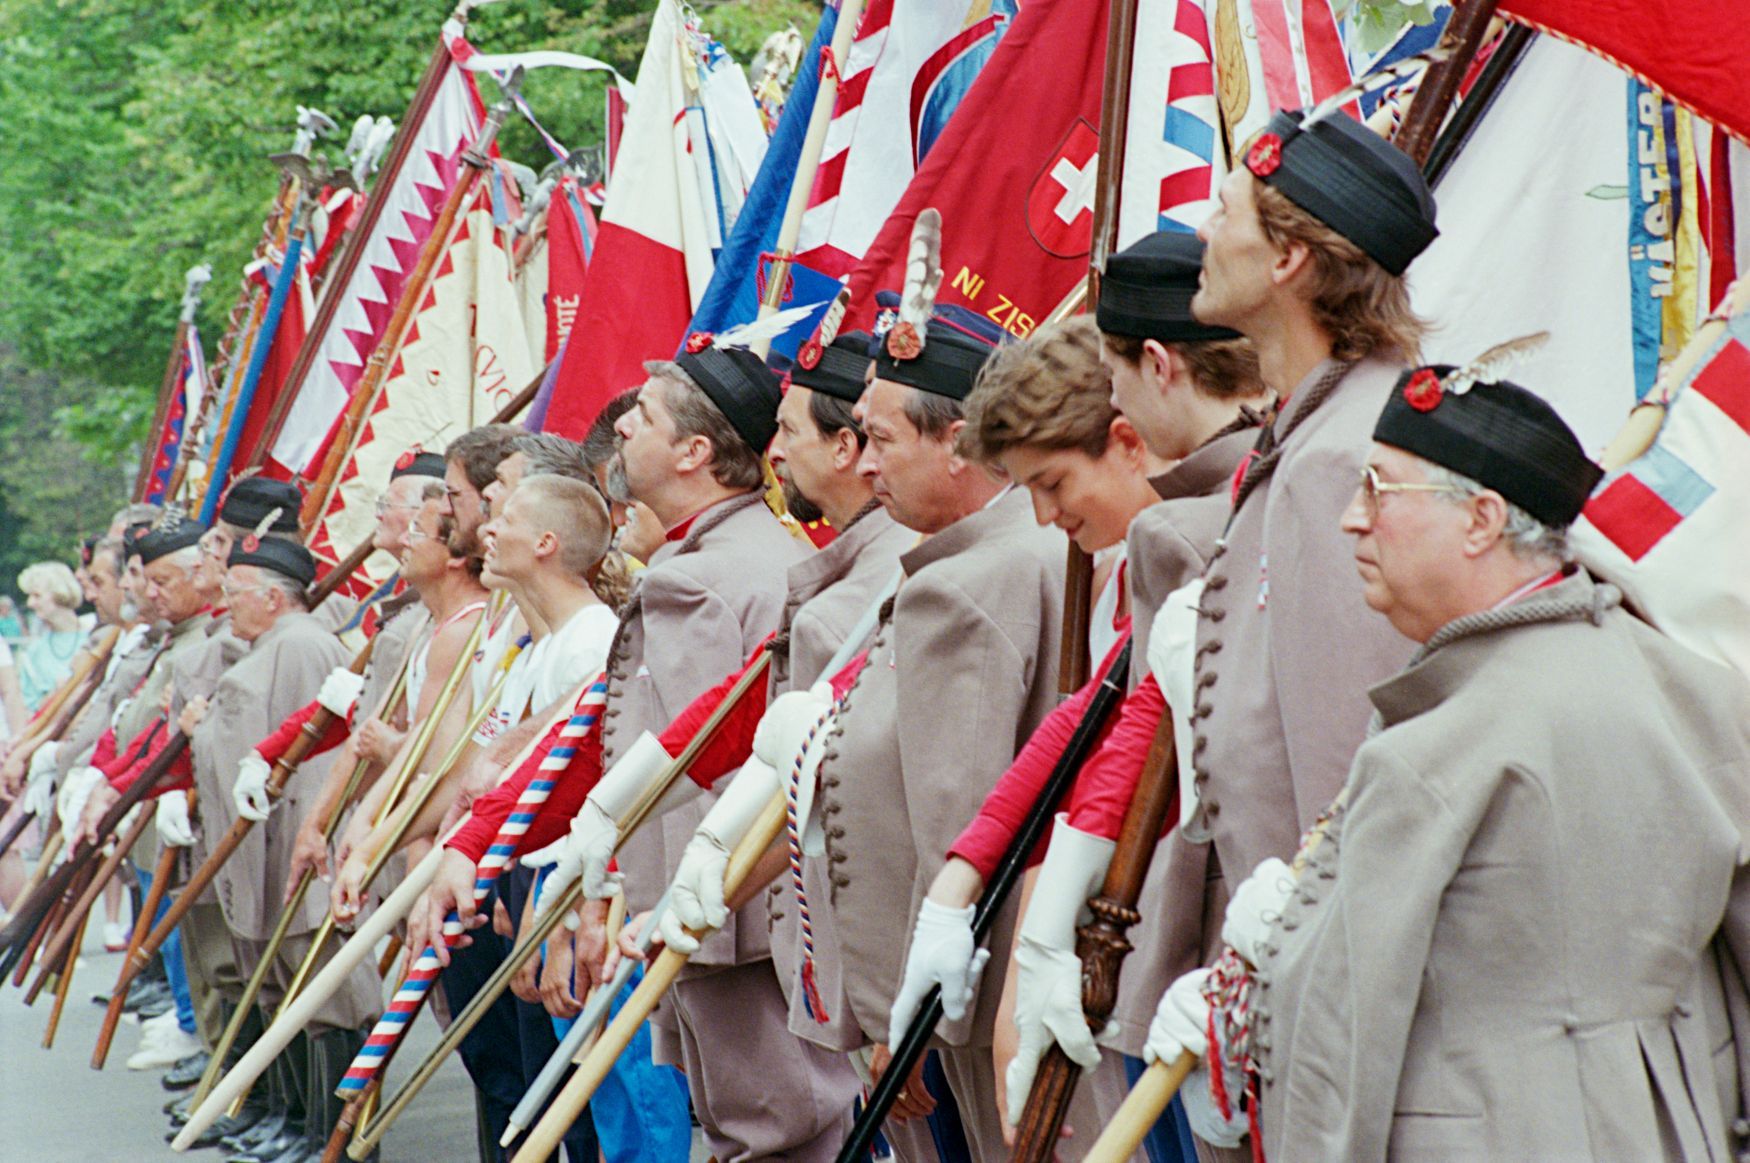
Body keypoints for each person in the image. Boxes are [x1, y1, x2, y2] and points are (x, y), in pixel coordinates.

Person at [1146, 364, 1750, 1159]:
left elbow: (1339, 1031)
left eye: (1378, 490)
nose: (1350, 521)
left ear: (1482, 519)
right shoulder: (1701, 694)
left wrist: (1262, 996)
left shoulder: (1429, 755)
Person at [177, 534, 379, 1161]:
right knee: (289, 995)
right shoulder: (269, 646)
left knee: (328, 998)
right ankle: (299, 1124)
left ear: (270, 596)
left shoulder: (303, 646)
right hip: (262, 844)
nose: (228, 603)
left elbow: (321, 752)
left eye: (236, 592)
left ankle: (337, 1138)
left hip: (293, 842)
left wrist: (200, 728)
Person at [14, 561, 90, 711]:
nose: (30, 603)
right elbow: (29, 708)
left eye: (37, 596)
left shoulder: (96, 637)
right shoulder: (33, 652)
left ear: (59, 593)